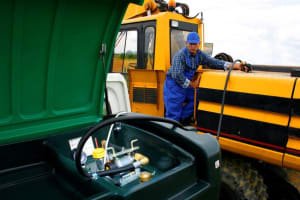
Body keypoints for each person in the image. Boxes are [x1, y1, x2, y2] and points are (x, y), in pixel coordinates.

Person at [163, 32, 244, 123]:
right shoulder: (180, 55)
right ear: (186, 43)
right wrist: (192, 84)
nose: (193, 46)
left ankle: (182, 119)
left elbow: (215, 62)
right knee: (174, 110)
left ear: (199, 43)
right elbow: (176, 74)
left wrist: (235, 66)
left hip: (187, 84)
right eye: (191, 44)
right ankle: (172, 125)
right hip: (174, 85)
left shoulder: (200, 55)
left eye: (195, 44)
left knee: (198, 97)